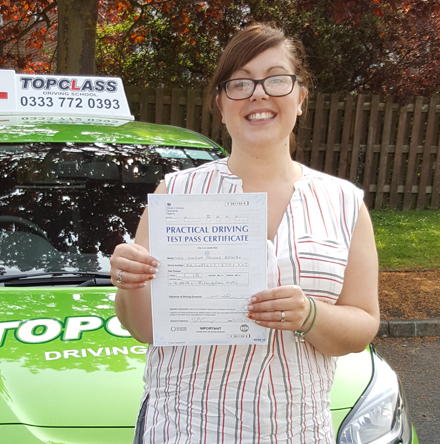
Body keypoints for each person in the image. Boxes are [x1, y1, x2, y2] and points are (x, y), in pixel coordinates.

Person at [109, 23, 380, 443]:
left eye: (275, 79)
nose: (258, 93)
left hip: (297, 432)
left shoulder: (344, 203)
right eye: (240, 83)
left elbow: (363, 326)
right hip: (185, 430)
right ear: (220, 103)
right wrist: (129, 282)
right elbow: (144, 328)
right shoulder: (177, 193)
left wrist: (311, 315)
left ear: (300, 98)